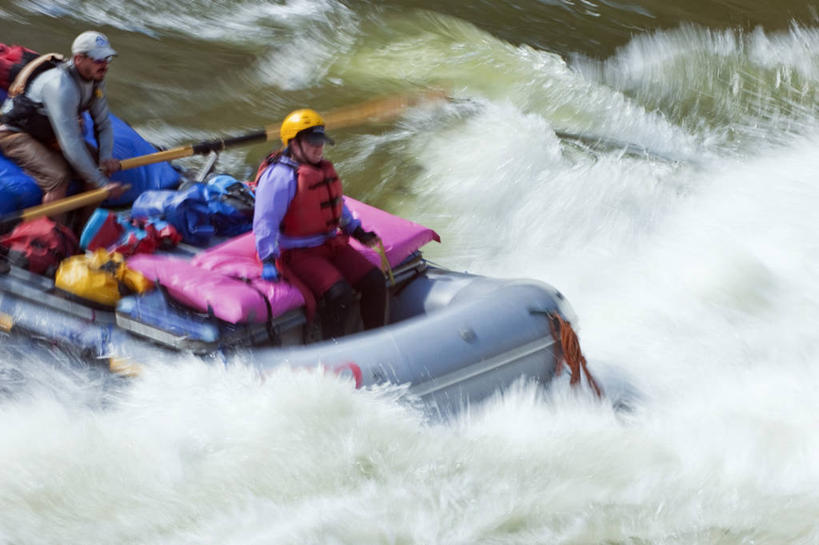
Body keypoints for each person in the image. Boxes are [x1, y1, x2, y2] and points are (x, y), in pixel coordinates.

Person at [253, 108, 387, 339]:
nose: (319, 147)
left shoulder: (321, 170)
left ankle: (376, 338)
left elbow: (337, 206)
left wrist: (357, 231)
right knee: (339, 294)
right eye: (312, 142)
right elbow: (265, 221)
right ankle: (333, 348)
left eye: (321, 142)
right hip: (298, 253)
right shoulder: (278, 177)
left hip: (329, 245)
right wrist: (268, 258)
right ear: (293, 144)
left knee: (375, 280)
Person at [0, 30, 124, 227]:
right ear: (79, 59)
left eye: (107, 58)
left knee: (98, 166)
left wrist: (106, 157)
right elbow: (71, 143)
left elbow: (103, 124)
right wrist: (103, 185)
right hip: (15, 134)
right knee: (58, 178)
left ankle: (84, 231)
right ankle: (60, 241)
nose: (105, 65)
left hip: (47, 135)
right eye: (99, 59)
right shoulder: (60, 85)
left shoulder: (96, 80)